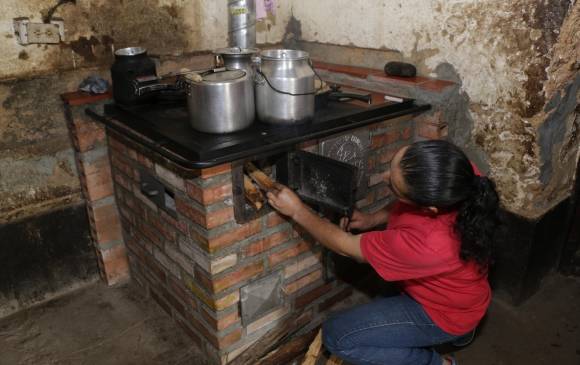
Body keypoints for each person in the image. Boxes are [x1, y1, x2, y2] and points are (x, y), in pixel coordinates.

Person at [266, 140, 500, 365]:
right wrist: (371, 219)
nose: (384, 177)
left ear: (429, 208)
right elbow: (408, 205)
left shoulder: (431, 244)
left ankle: (437, 361)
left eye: (393, 187)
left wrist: (297, 210)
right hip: (463, 292)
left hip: (444, 313)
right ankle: (460, 334)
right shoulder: (456, 173)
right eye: (392, 169)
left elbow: (344, 246)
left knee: (336, 335)